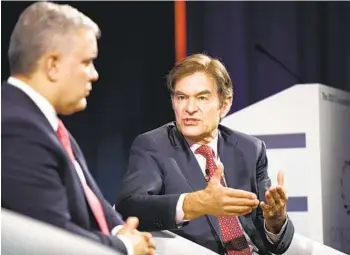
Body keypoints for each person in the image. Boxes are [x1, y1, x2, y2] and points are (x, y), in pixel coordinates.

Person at [1, 2, 155, 255]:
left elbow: (90, 198)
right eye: (86, 62)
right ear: (52, 65)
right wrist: (124, 246)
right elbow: (52, 237)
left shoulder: (41, 121)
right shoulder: (16, 129)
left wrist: (120, 230)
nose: (94, 74)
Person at [116, 53, 294, 255]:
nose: (190, 108)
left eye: (202, 98)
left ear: (224, 104)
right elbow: (129, 206)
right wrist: (198, 203)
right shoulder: (153, 146)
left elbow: (274, 241)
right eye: (181, 97)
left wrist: (276, 220)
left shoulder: (250, 149)